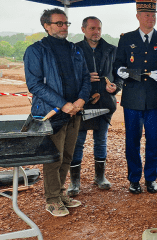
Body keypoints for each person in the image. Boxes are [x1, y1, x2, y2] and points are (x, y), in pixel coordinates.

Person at [23, 8, 91, 216]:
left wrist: (80, 100)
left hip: (75, 112)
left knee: (68, 156)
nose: (64, 27)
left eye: (66, 24)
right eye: (59, 23)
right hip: (52, 114)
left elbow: (86, 78)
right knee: (54, 158)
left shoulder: (75, 49)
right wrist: (63, 104)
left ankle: (60, 194)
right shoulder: (36, 50)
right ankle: (52, 200)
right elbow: (34, 85)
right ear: (46, 25)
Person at [114, 0, 157, 194]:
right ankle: (133, 179)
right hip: (132, 99)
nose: (151, 18)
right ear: (138, 16)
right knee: (132, 141)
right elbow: (118, 64)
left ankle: (150, 178)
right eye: (147, 15)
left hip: (155, 99)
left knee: (154, 141)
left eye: (154, 15)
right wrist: (120, 71)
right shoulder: (126, 38)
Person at [67, 16, 123, 197]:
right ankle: (75, 182)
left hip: (105, 104)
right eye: (92, 28)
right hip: (81, 105)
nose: (96, 32)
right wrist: (82, 78)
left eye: (98, 28)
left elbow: (119, 75)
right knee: (77, 143)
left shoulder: (112, 50)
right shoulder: (73, 49)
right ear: (83, 29)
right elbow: (66, 77)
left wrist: (115, 87)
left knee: (101, 141)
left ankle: (100, 177)